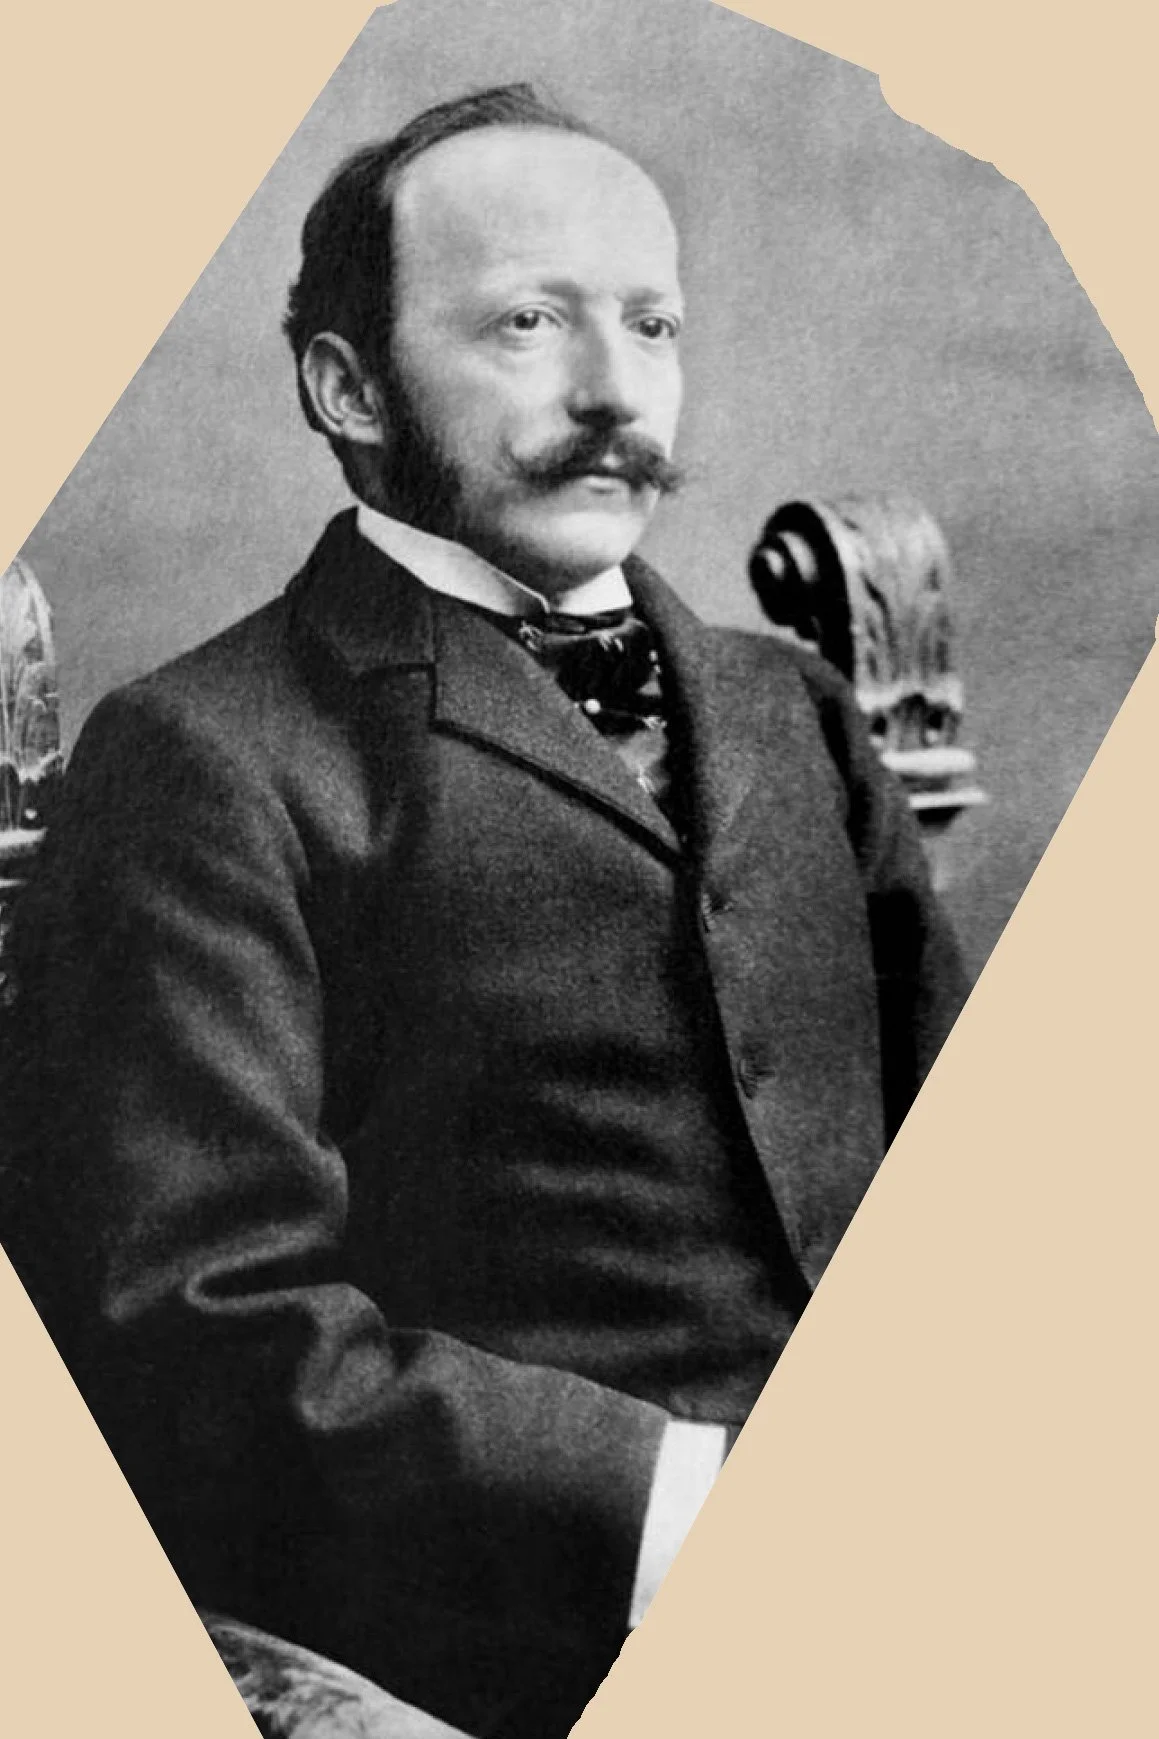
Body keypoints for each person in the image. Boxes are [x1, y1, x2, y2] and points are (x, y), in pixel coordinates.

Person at [2, 85, 968, 1739]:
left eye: (650, 324)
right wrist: (679, 1511)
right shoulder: (209, 755)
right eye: (528, 322)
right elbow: (200, 1329)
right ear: (349, 387)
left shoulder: (791, 709)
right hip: (525, 1635)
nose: (614, 392)